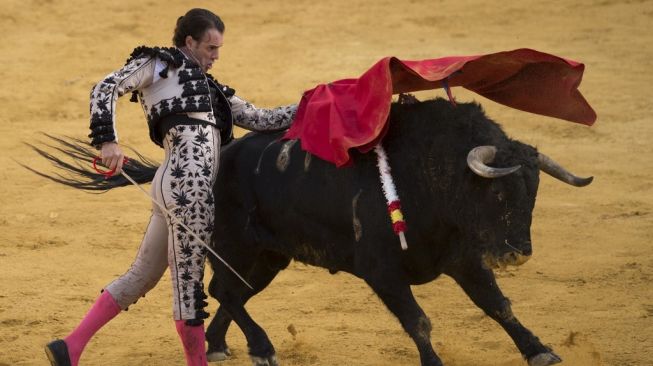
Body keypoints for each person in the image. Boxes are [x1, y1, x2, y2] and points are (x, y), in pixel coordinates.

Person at [45, 8, 297, 366]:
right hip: (188, 187)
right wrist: (107, 140)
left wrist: (316, 101)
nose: (215, 56)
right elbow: (105, 88)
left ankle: (69, 347)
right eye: (210, 48)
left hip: (177, 183)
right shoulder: (158, 64)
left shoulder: (214, 91)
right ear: (189, 42)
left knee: (141, 276)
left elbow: (263, 119)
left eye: (219, 49)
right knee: (189, 286)